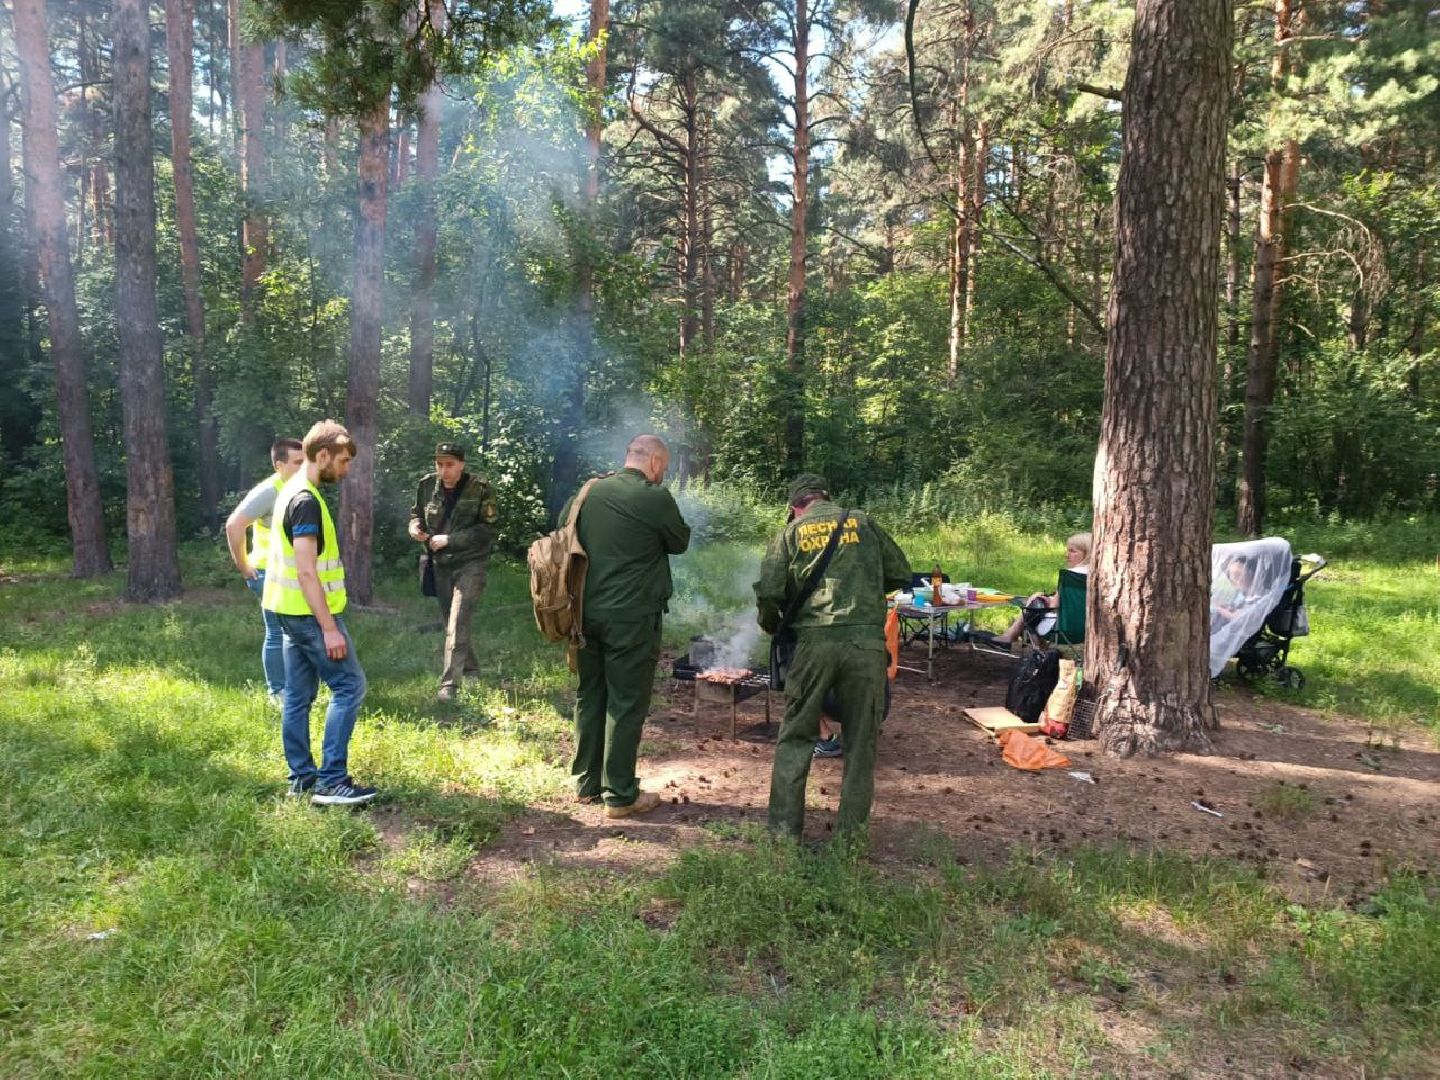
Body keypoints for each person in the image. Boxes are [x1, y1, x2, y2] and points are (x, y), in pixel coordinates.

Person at [756, 473, 911, 842]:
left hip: (814, 645)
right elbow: (900, 572)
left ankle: (782, 834)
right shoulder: (862, 521)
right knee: (861, 742)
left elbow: (769, 593)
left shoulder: (790, 533)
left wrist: (772, 625)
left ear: (795, 506)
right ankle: (851, 840)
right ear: (826, 497)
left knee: (795, 736)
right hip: (867, 646)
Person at [563, 435, 691, 819]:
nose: (661, 475)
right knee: (626, 701)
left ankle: (585, 784)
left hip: (584, 614)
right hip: (632, 619)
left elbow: (564, 530)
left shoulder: (587, 492)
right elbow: (680, 542)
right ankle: (619, 795)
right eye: (663, 468)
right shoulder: (655, 498)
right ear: (653, 461)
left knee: (590, 694)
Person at [261, 420, 377, 805]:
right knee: (349, 686)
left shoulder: (292, 489)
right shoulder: (306, 499)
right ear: (322, 455)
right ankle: (332, 782)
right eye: (342, 461)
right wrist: (329, 628)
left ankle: (302, 778)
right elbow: (307, 569)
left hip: (286, 611)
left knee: (297, 695)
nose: (344, 470)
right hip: (309, 615)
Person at [408, 441, 500, 702]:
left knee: (458, 620)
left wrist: (450, 540)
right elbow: (416, 514)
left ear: (462, 464)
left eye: (449, 465)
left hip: (471, 562)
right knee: (452, 620)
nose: (444, 470)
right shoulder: (427, 485)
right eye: (439, 464)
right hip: (440, 564)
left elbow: (488, 530)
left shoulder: (481, 489)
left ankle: (449, 684)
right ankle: (471, 670)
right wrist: (414, 527)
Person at [223, 437, 306, 701]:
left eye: (305, 460)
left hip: (289, 575)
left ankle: (293, 688)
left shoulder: (299, 487)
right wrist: (243, 565)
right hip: (267, 573)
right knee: (278, 631)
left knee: (291, 631)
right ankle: (278, 692)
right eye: (297, 462)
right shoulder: (270, 490)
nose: (303, 466)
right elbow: (234, 525)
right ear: (279, 464)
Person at [975, 531, 1091, 651]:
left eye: (1072, 551)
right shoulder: (1100, 576)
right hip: (1089, 629)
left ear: (1087, 553)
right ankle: (1015, 639)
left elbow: (1054, 605)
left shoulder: (1070, 576)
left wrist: (1039, 599)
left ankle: (1032, 649)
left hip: (1062, 629)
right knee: (1039, 601)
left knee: (1035, 605)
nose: (1066, 555)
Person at [813, 608, 899, 758]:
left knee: (800, 685)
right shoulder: (870, 627)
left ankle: (824, 740)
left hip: (847, 705)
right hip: (880, 707)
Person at [1211, 555, 1256, 629]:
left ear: (1250, 574)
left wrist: (1219, 609)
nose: (1235, 583)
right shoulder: (1237, 593)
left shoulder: (1255, 598)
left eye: (1238, 576)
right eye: (1231, 578)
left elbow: (1239, 618)